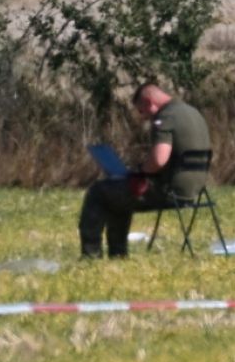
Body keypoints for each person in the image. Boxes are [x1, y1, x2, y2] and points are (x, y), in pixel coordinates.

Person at [79, 83, 212, 259]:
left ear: (150, 102)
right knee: (118, 195)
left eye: (142, 112)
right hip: (195, 189)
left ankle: (91, 255)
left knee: (99, 191)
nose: (145, 118)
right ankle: (117, 255)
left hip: (169, 191)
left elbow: (158, 159)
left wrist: (139, 171)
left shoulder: (166, 117)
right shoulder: (192, 113)